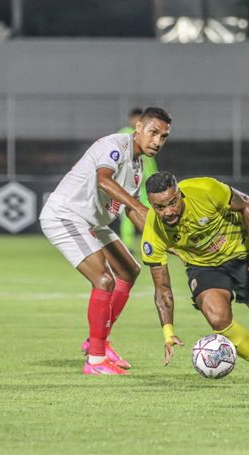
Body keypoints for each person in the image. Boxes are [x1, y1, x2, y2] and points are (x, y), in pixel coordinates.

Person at [39, 107, 172, 375]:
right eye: (153, 132)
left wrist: (161, 240)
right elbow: (103, 180)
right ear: (138, 128)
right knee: (104, 280)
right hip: (65, 215)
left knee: (129, 269)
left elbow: (131, 211)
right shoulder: (114, 146)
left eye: (164, 136)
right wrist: (138, 204)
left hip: (92, 221)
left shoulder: (138, 166)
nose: (157, 141)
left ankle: (97, 341)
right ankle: (96, 362)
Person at [141, 172, 249, 384]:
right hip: (203, 267)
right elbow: (162, 287)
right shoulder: (153, 230)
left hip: (242, 254)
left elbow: (248, 204)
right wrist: (168, 331)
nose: (168, 212)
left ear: (179, 194)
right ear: (152, 204)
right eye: (160, 207)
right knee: (217, 317)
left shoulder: (205, 190)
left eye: (172, 203)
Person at [119, 108, 160, 252]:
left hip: (145, 185)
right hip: (129, 183)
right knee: (128, 214)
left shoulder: (148, 135)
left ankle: (155, 242)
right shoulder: (124, 133)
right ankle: (127, 245)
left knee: (151, 213)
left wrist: (154, 176)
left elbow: (150, 161)